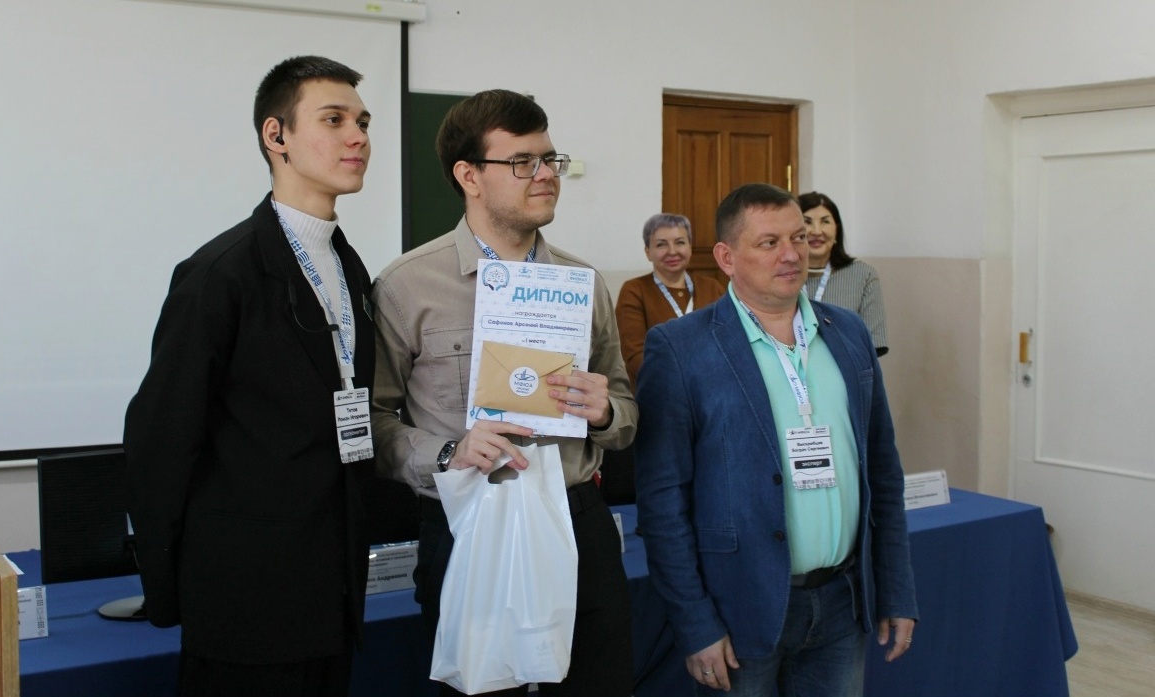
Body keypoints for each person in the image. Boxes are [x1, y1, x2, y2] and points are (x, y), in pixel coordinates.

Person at [123, 55, 377, 697]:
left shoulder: (348, 267)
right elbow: (160, 440)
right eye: (334, 120)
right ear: (276, 135)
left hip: (332, 591)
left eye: (362, 122)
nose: (357, 137)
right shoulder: (220, 274)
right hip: (244, 600)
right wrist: (166, 590)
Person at [371, 89, 637, 696]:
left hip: (577, 519)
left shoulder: (582, 281)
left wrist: (604, 413)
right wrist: (449, 452)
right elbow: (374, 421)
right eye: (522, 162)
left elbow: (625, 412)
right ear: (469, 176)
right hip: (469, 520)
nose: (545, 175)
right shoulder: (407, 285)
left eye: (550, 159)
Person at [634, 183, 917, 696]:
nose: (792, 254)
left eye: (798, 237)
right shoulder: (681, 349)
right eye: (769, 243)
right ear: (727, 257)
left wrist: (895, 588)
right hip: (738, 610)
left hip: (843, 601)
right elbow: (662, 501)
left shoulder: (849, 333)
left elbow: (882, 471)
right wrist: (695, 623)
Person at [615, 213, 727, 387]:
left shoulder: (712, 287)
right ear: (648, 252)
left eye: (680, 242)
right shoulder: (634, 290)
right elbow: (635, 357)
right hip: (658, 392)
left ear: (690, 247)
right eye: (661, 244)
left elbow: (728, 341)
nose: (672, 251)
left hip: (712, 389)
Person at [798, 191, 889, 355]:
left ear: (837, 230)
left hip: (848, 366)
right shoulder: (779, 274)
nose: (817, 231)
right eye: (807, 222)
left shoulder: (863, 275)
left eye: (825, 221)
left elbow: (874, 343)